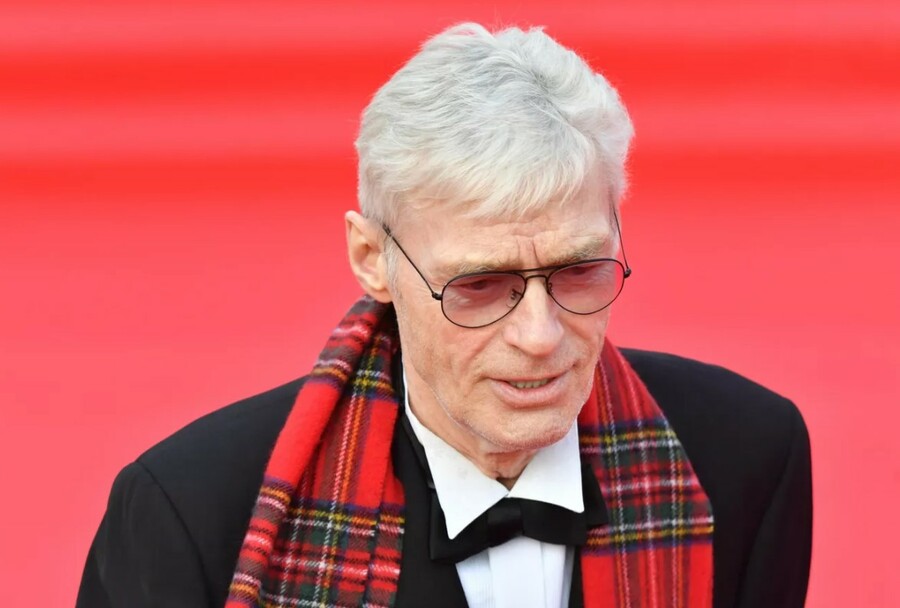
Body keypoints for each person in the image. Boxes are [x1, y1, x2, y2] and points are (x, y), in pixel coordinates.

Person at [77, 22, 812, 608]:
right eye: (480, 286)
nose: (539, 337)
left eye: (579, 271)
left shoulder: (747, 459)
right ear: (372, 259)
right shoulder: (189, 515)